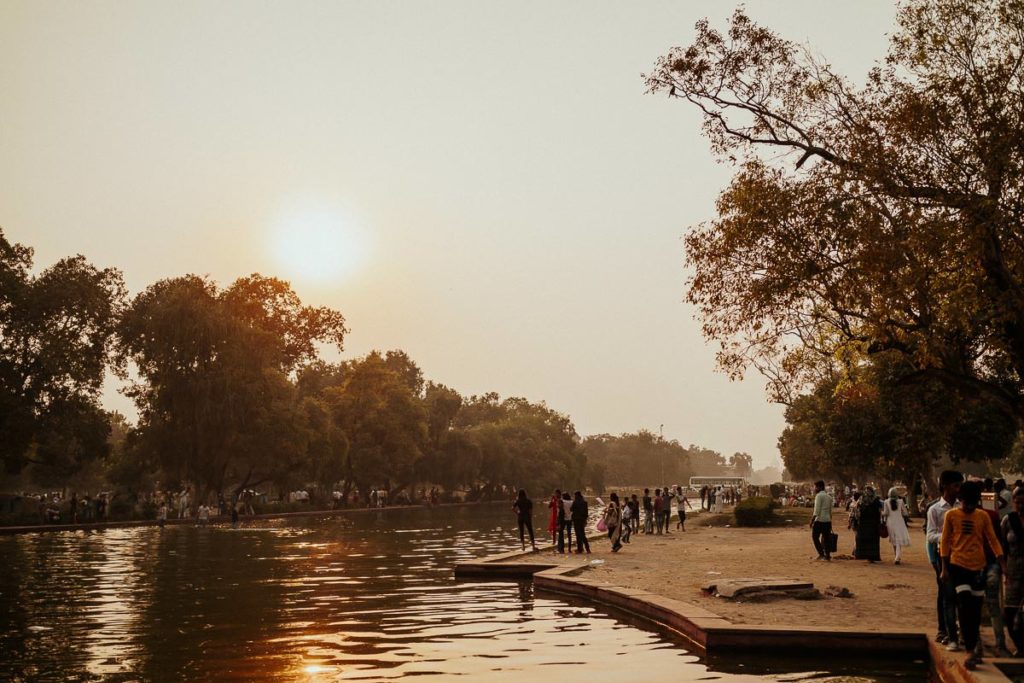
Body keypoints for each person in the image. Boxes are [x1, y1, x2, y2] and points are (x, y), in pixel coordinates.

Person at [941, 480, 1006, 670]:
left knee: (975, 610)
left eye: (972, 503)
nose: (968, 507)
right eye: (965, 503)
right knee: (963, 603)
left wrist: (1002, 562)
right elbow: (945, 542)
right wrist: (945, 569)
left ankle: (973, 646)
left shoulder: (982, 516)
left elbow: (992, 539)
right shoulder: (951, 515)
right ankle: (970, 650)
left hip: (978, 566)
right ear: (960, 500)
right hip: (957, 565)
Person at [928, 470, 963, 649]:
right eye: (956, 485)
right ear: (945, 487)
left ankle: (955, 631)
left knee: (959, 594)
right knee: (945, 594)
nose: (959, 489)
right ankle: (944, 630)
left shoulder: (962, 506)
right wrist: (947, 536)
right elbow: (930, 536)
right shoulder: (935, 509)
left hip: (961, 555)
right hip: (942, 556)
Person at [1001, 487, 1024, 655]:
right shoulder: (1008, 521)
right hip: (1013, 570)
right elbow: (1000, 547)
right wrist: (1003, 568)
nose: (1020, 506)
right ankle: (1019, 645)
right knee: (1010, 609)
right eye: (1018, 502)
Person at [881, 487, 911, 565]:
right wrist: (900, 512)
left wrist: (880, 513)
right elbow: (906, 513)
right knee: (898, 540)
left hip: (890, 522)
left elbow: (886, 513)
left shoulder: (886, 502)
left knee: (894, 540)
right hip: (899, 522)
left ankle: (897, 556)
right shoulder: (901, 501)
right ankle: (897, 557)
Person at [855, 486, 882, 562]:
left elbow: (857, 510)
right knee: (873, 541)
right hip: (873, 523)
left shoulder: (861, 499)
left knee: (865, 540)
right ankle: (873, 556)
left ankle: (864, 555)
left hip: (863, 524)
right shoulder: (876, 499)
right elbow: (880, 511)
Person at [810, 480, 833, 561]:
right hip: (827, 520)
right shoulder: (829, 497)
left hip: (819, 520)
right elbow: (830, 511)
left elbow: (817, 510)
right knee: (826, 538)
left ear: (819, 487)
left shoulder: (819, 496)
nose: (814, 488)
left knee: (815, 537)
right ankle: (827, 555)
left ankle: (821, 554)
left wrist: (812, 520)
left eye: (815, 487)